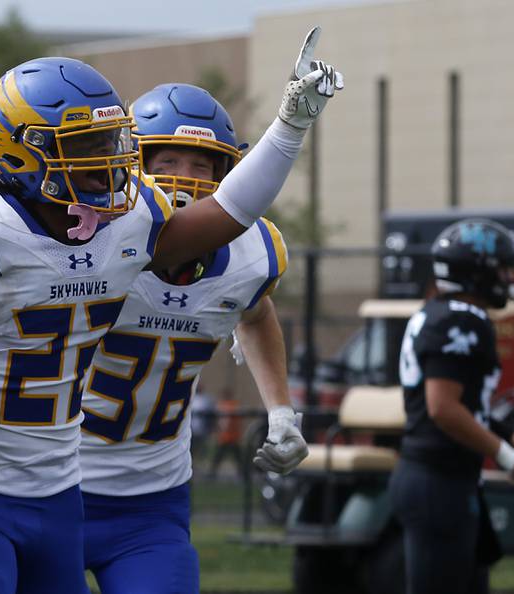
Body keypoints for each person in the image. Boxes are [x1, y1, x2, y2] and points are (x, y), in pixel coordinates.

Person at [0, 28, 340, 594]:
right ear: (22, 150)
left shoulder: (130, 230)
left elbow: (230, 213)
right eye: (85, 146)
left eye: (111, 141)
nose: (108, 161)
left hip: (60, 494)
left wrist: (290, 127)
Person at [79, 79, 327, 594]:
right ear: (131, 163)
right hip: (54, 485)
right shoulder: (89, 242)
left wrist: (280, 410)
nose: (183, 181)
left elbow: (255, 313)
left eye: (201, 166)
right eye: (166, 162)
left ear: (229, 175)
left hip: (153, 496)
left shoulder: (251, 254)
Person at [390, 219, 514, 594]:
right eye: (502, 268)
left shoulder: (439, 311)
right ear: (476, 271)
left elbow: (463, 405)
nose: (509, 279)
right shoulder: (462, 318)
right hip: (438, 481)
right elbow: (443, 408)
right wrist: (508, 458)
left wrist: (510, 436)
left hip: (438, 478)